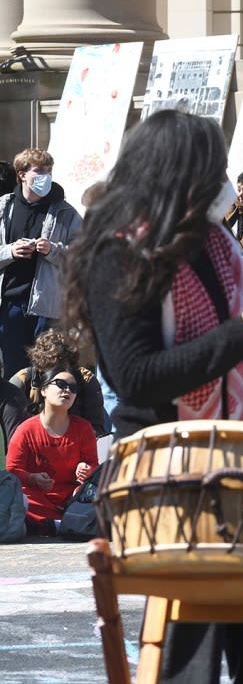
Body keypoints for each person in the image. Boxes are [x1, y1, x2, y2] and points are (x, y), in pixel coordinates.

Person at [60, 109, 243, 682]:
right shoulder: (123, 252)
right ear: (178, 172)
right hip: (171, 475)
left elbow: (242, 354)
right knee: (198, 637)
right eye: (213, 167)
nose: (223, 181)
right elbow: (137, 376)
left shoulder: (217, 247)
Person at [0, 147, 82, 379]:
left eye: (48, 170)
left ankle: (45, 414)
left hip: (47, 306)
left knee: (48, 372)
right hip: (9, 304)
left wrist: (53, 251)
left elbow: (83, 256)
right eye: (39, 170)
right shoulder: (4, 207)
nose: (45, 176)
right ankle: (18, 416)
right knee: (15, 372)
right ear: (22, 174)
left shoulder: (65, 212)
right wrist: (10, 251)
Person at [4, 367, 97, 536]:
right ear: (44, 390)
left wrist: (87, 469)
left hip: (72, 497)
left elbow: (94, 466)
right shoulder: (26, 430)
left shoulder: (84, 428)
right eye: (61, 384)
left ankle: (53, 524)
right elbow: (12, 471)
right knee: (22, 496)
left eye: (73, 388)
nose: (67, 390)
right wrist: (32, 478)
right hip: (37, 499)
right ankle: (62, 524)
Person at [11, 328, 107, 437]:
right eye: (51, 369)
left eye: (61, 368)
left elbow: (97, 429)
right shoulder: (22, 380)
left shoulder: (86, 380)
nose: (58, 377)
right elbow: (11, 432)